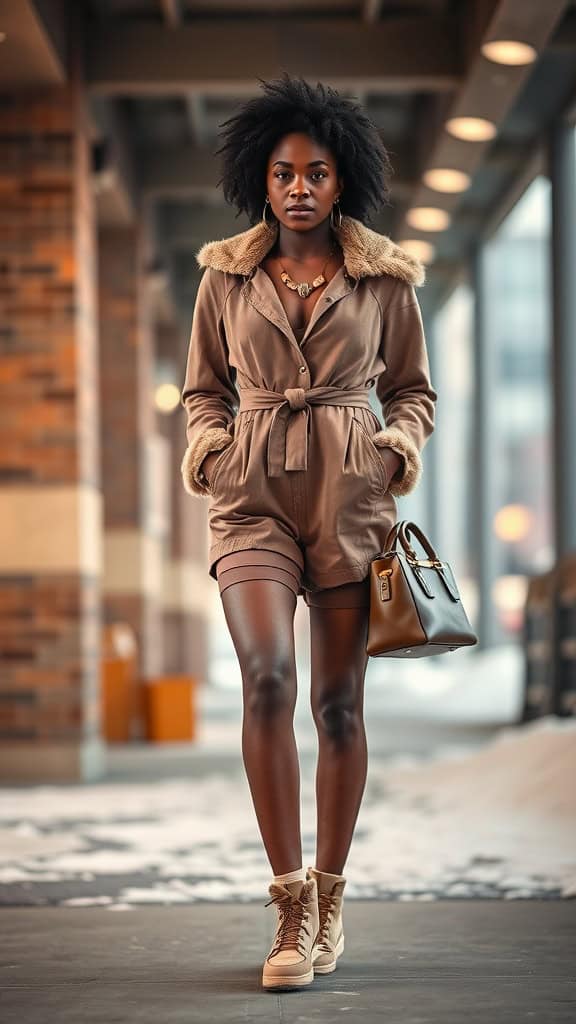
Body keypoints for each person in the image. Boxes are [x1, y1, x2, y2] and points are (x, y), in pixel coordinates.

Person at [180, 73, 437, 991]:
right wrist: (211, 448)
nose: (298, 187)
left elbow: (413, 390)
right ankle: (288, 907)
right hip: (249, 494)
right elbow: (203, 387)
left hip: (348, 498)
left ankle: (332, 893)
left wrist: (395, 447)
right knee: (266, 677)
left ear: (343, 182)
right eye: (284, 171)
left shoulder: (384, 279)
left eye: (316, 172)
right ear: (262, 178)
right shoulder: (225, 277)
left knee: (336, 705)